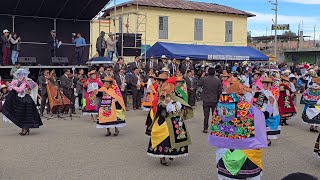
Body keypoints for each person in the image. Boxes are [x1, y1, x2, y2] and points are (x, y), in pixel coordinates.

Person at [208, 78, 267, 180]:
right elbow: (261, 115)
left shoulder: (220, 106)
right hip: (246, 146)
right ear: (240, 92)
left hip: (225, 146)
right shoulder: (247, 107)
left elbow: (215, 124)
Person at [147, 77, 193, 166]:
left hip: (176, 121)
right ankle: (162, 157)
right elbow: (159, 106)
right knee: (165, 139)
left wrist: (182, 111)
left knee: (176, 138)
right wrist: (164, 103)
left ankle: (172, 153)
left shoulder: (177, 95)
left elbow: (183, 105)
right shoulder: (162, 95)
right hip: (165, 121)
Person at [2, 69, 42, 135]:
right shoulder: (17, 82)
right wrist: (10, 85)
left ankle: (25, 128)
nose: (19, 77)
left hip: (25, 100)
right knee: (20, 115)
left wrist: (13, 86)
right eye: (18, 76)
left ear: (24, 76)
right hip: (20, 100)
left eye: (20, 76)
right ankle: (23, 128)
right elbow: (9, 89)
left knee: (25, 115)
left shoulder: (26, 82)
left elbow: (20, 90)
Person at [253, 77, 281, 146]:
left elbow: (274, 103)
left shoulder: (272, 93)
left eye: (266, 84)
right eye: (263, 84)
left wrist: (271, 104)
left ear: (270, 85)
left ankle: (267, 139)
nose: (264, 85)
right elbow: (255, 102)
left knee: (266, 127)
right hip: (261, 111)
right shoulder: (259, 93)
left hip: (270, 112)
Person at [198, 67, 222, 133]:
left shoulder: (204, 79)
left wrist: (202, 76)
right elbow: (220, 91)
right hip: (214, 99)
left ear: (208, 72)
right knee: (215, 115)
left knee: (206, 115)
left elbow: (199, 84)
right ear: (214, 72)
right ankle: (215, 128)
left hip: (206, 99)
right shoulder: (217, 80)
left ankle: (205, 128)